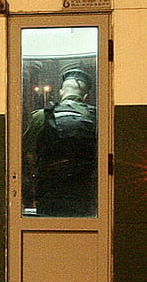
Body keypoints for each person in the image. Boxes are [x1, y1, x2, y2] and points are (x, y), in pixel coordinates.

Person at [22, 68, 98, 217]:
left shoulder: (42, 116)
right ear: (85, 96)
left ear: (62, 92)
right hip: (85, 193)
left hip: (49, 193)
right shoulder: (96, 117)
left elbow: (26, 149)